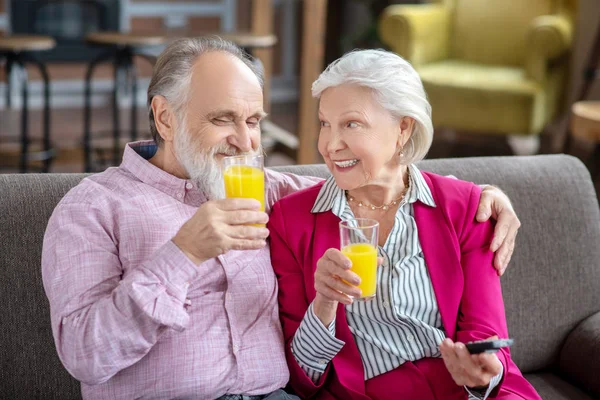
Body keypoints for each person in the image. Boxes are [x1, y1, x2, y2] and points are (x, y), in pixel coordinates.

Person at [41, 38, 520, 400]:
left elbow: (372, 181)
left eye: (253, 122)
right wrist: (182, 254)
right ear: (165, 118)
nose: (246, 142)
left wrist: (480, 195)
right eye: (223, 119)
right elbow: (87, 356)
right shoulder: (94, 208)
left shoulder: (272, 193)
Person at [268, 49, 540, 400]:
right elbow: (303, 378)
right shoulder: (291, 220)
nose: (330, 145)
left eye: (351, 124)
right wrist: (324, 302)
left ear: (403, 127)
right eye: (324, 124)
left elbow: (486, 335)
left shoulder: (469, 208)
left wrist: (481, 372)